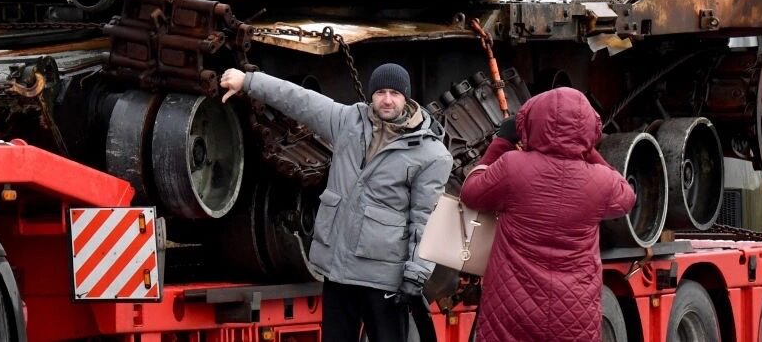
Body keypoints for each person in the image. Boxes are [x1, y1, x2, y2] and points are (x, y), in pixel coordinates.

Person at [220, 63, 452, 342]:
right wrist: (248, 81)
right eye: (380, 92)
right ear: (371, 95)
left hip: (384, 279)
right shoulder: (348, 122)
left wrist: (416, 275)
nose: (387, 99)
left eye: (394, 93)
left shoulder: (431, 154)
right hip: (339, 273)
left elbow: (424, 219)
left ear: (406, 98)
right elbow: (299, 100)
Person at [460, 87, 636, 342]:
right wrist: (585, 149)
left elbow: (471, 192)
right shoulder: (602, 181)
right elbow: (627, 196)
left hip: (512, 307)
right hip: (573, 310)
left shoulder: (512, 166)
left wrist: (501, 142)